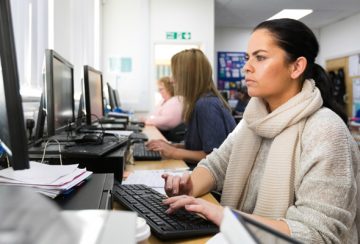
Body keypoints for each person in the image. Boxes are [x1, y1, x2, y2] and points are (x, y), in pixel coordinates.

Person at [161, 18, 360, 243]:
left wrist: (226, 216)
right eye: (247, 58)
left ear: (296, 67)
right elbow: (216, 166)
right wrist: (188, 185)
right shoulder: (253, 119)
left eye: (260, 57)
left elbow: (316, 233)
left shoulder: (326, 130)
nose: (246, 66)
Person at [146, 49, 236, 167]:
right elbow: (201, 147)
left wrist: (174, 152)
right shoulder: (200, 102)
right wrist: (172, 146)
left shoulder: (206, 105)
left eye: (175, 74)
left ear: (188, 77)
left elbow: (215, 157)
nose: (172, 80)